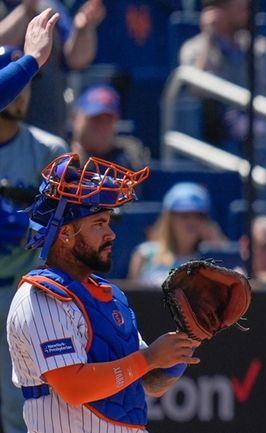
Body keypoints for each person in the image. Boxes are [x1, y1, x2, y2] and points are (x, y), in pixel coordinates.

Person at [8, 153, 200, 433]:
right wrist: (148, 359)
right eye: (98, 224)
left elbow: (149, 382)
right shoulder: (41, 298)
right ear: (65, 233)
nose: (111, 234)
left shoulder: (109, 296)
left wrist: (181, 350)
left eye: (108, 222)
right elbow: (73, 388)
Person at [0, 15, 66, 432]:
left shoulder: (47, 147)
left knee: (23, 409)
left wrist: (31, 227)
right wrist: (32, 60)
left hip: (20, 293)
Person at [0, 0, 105, 137]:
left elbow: (77, 61)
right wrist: (26, 10)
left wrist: (83, 30)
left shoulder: (50, 7)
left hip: (47, 123)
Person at [178, 0, 266, 150]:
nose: (247, 12)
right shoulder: (194, 49)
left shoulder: (258, 48)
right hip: (217, 127)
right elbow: (196, 89)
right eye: (240, 7)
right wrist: (208, 37)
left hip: (254, 116)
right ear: (219, 11)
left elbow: (263, 91)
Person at [128, 182, 227, 287]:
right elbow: (134, 298)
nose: (192, 222)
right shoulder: (144, 256)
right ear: (169, 220)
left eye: (199, 216)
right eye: (184, 215)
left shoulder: (213, 260)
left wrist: (219, 249)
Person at [70, 84, 149, 171]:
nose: (101, 127)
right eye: (95, 119)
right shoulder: (59, 153)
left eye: (107, 121)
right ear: (75, 118)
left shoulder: (129, 158)